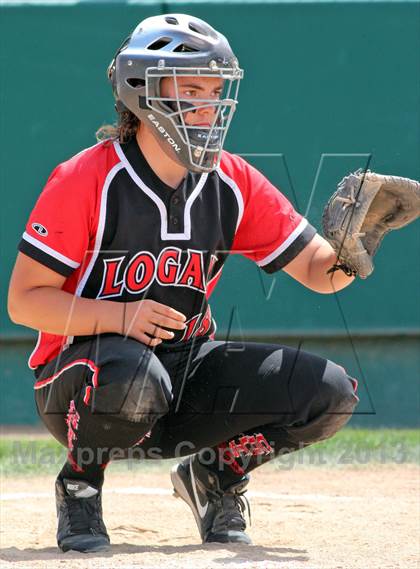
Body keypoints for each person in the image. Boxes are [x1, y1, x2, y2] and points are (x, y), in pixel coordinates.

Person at [8, 13, 359, 553]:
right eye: (191, 88)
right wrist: (121, 317)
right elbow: (24, 301)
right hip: (81, 380)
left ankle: (213, 475)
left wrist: (352, 252)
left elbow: (318, 271)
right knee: (131, 375)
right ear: (141, 92)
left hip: (185, 371)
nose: (209, 104)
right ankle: (80, 483)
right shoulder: (87, 177)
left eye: (216, 91)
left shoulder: (232, 180)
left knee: (329, 393)